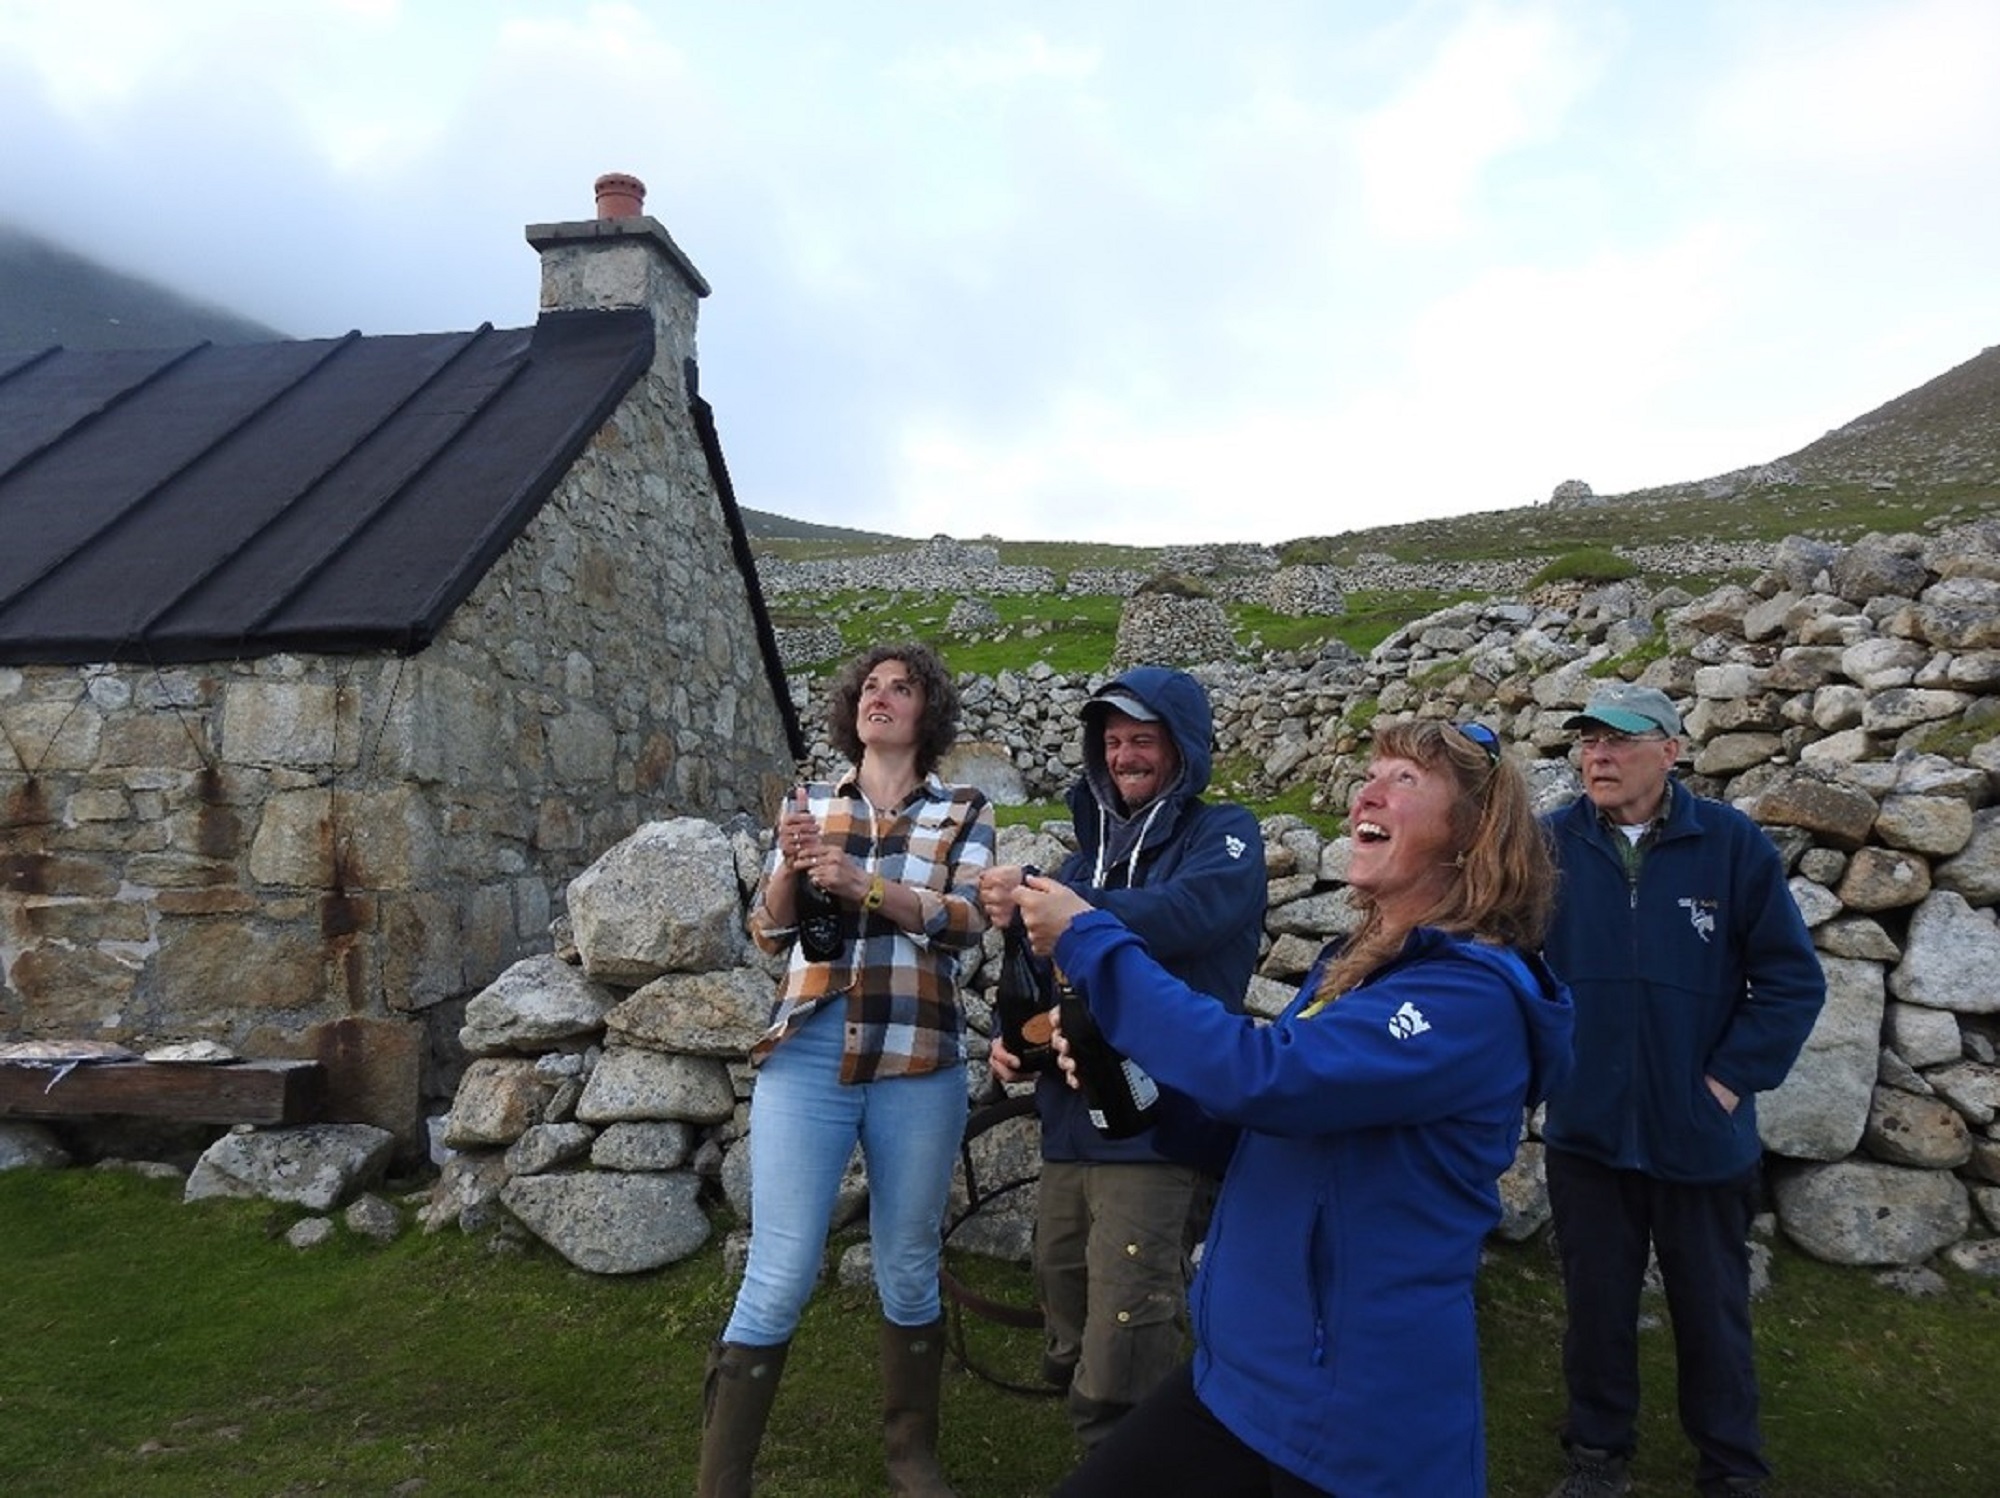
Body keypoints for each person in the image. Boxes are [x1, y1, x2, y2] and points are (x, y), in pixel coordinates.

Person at [1019, 718, 1575, 1498]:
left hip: (1353, 1418)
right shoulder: (1356, 968)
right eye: (1370, 773)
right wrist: (1151, 1099)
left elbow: (1265, 1079)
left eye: (1405, 779)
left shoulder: (1469, 998)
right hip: (1245, 1379)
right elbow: (1273, 1129)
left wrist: (1089, 939)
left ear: (1472, 833)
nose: (1366, 793)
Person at [697, 642, 994, 1498]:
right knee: (780, 1269)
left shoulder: (964, 809)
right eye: (869, 686)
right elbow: (768, 935)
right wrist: (792, 871)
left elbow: (967, 921)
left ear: (927, 712)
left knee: (907, 1263)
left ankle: (911, 1460)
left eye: (901, 688)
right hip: (810, 1050)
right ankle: (721, 1481)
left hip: (918, 1054)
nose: (880, 697)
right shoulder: (810, 805)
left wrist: (864, 885)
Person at [1540, 684, 1825, 1498]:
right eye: (1589, 739)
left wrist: (1727, 1084)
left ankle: (1731, 1468)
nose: (1598, 754)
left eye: (1620, 740)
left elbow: (1791, 982)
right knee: (1596, 1309)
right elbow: (1510, 966)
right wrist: (1548, 1071)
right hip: (1587, 1131)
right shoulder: (1549, 844)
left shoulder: (1730, 844)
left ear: (1670, 752)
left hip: (1699, 1133)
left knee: (1713, 1313)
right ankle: (1597, 1457)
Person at [978, 666, 1266, 1447]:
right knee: (1064, 1296)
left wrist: (1067, 907)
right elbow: (1042, 986)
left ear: (1184, 749)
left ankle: (1126, 1451)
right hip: (1073, 1127)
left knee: (1126, 1337)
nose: (1124, 756)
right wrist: (1017, 1045)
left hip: (1161, 1128)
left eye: (1144, 739)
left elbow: (1189, 914)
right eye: (1112, 741)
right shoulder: (1079, 865)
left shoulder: (1224, 835)